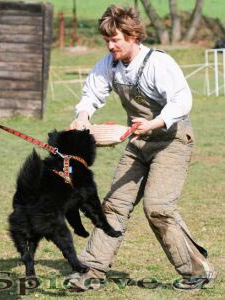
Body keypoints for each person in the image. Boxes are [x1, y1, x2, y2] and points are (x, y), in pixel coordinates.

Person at [68, 5, 216, 292]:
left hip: (171, 140)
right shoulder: (109, 64)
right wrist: (82, 116)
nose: (110, 46)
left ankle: (198, 270)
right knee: (113, 205)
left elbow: (182, 100)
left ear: (133, 36)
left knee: (158, 208)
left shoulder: (158, 64)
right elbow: (91, 93)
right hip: (138, 143)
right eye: (107, 41)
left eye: (116, 40)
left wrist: (156, 123)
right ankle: (92, 270)